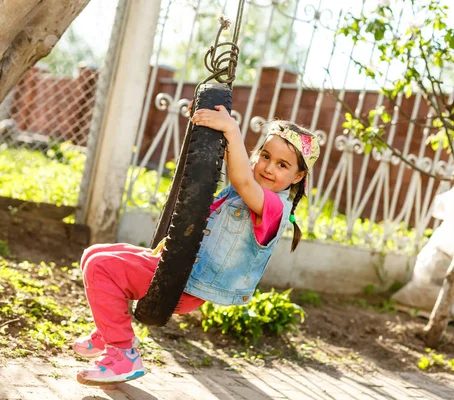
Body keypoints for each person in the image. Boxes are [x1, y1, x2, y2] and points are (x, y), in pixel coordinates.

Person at [73, 104, 320, 385]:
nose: (267, 167)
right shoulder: (247, 191)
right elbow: (237, 165)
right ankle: (109, 331)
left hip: (189, 283)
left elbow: (241, 177)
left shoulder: (274, 207)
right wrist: (206, 122)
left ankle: (122, 353)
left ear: (298, 177)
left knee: (100, 268)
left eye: (282, 165)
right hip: (180, 269)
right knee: (93, 254)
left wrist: (231, 129)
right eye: (265, 156)